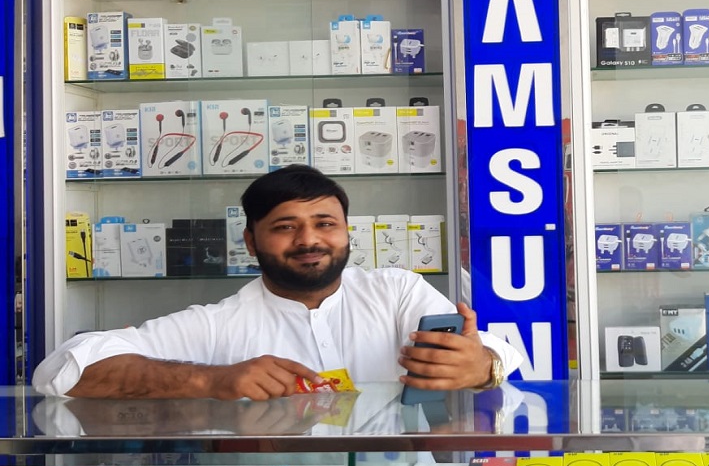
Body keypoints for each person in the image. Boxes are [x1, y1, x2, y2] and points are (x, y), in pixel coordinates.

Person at [32, 165, 522, 400]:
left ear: (347, 231)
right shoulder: (220, 324)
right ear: (251, 241)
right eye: (285, 227)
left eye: (325, 224)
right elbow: (60, 372)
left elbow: (498, 351)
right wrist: (210, 379)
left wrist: (482, 365)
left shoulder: (394, 290)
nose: (309, 240)